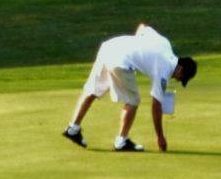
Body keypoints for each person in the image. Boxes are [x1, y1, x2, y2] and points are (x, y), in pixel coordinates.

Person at [61, 23, 197, 152]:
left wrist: (137, 51)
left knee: (93, 90)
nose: (178, 80)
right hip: (121, 62)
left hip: (109, 47)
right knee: (133, 101)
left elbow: (142, 27)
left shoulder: (165, 43)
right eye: (181, 77)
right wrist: (160, 137)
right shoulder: (164, 73)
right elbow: (156, 106)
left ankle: (73, 128)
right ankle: (121, 141)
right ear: (180, 68)